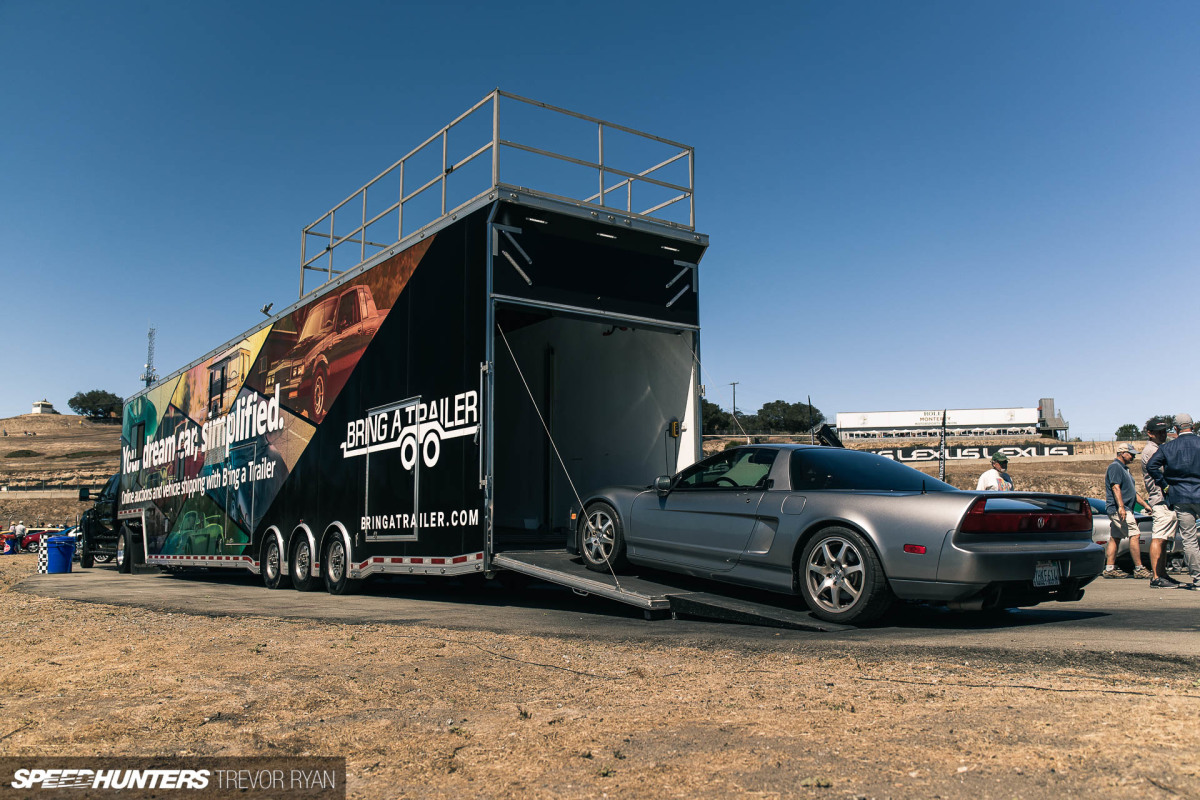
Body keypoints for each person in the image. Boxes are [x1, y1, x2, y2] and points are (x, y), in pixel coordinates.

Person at [1146, 413, 1200, 588]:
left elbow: (1151, 466)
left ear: (1175, 429)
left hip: (1180, 497)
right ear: (1192, 426)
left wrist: (1165, 485)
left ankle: (1198, 578)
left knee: (1189, 539)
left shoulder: (1168, 447)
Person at [1102, 443, 1142, 578]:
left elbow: (1132, 493)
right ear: (1121, 453)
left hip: (1122, 508)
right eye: (1131, 454)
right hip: (1119, 509)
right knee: (1135, 535)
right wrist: (1121, 507)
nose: (1133, 456)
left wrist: (1147, 506)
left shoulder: (1125, 469)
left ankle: (1109, 569)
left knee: (1115, 538)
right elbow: (1115, 487)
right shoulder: (1115, 467)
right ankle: (1139, 568)